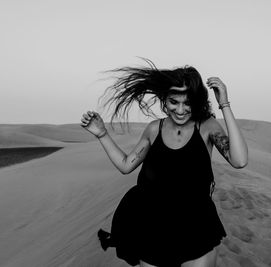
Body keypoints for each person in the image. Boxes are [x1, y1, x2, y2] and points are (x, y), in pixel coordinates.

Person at [80, 59, 248, 267]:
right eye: (173, 102)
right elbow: (125, 165)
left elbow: (239, 161)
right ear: (164, 101)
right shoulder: (154, 129)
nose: (180, 110)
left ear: (196, 102)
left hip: (196, 227)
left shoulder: (206, 127)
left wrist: (225, 105)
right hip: (153, 230)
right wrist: (102, 134)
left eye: (187, 103)